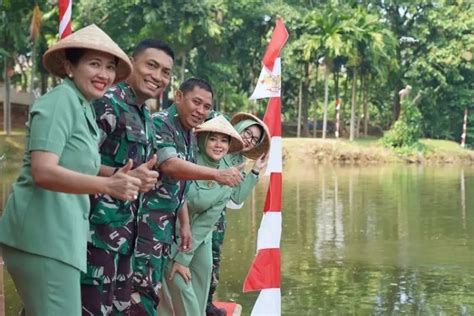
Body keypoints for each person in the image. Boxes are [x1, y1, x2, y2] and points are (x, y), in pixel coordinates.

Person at [0, 24, 141, 316]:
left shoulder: (83, 105)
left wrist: (115, 175)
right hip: (43, 236)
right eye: (94, 64)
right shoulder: (60, 100)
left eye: (110, 67)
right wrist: (107, 187)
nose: (104, 74)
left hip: (60, 237)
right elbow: (43, 170)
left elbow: (75, 160)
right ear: (69, 66)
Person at [131, 78, 244, 315]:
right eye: (196, 102)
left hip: (174, 225)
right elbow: (171, 165)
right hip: (148, 224)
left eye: (206, 107)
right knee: (146, 295)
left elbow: (179, 187)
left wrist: (184, 224)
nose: (200, 110)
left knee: (180, 290)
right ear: (179, 96)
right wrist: (217, 175)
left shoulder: (189, 134)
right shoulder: (161, 122)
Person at [80, 39, 174, 315]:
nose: (158, 77)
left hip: (125, 239)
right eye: (151, 65)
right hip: (94, 235)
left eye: (166, 72)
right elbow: (74, 162)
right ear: (132, 63)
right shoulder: (107, 103)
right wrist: (123, 176)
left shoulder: (144, 113)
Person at [157, 115, 244, 316]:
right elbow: (177, 196)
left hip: (199, 236)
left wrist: (184, 257)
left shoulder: (228, 175)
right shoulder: (188, 161)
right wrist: (179, 259)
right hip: (172, 229)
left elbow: (206, 222)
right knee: (178, 282)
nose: (218, 145)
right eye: (213, 139)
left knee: (201, 278)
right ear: (203, 139)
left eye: (224, 140)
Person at [206, 112, 270, 316]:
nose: (248, 139)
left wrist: (255, 172)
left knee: (213, 261)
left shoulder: (239, 161)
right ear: (239, 127)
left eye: (253, 139)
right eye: (247, 132)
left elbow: (236, 199)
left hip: (217, 218)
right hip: (195, 210)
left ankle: (207, 301)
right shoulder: (216, 145)